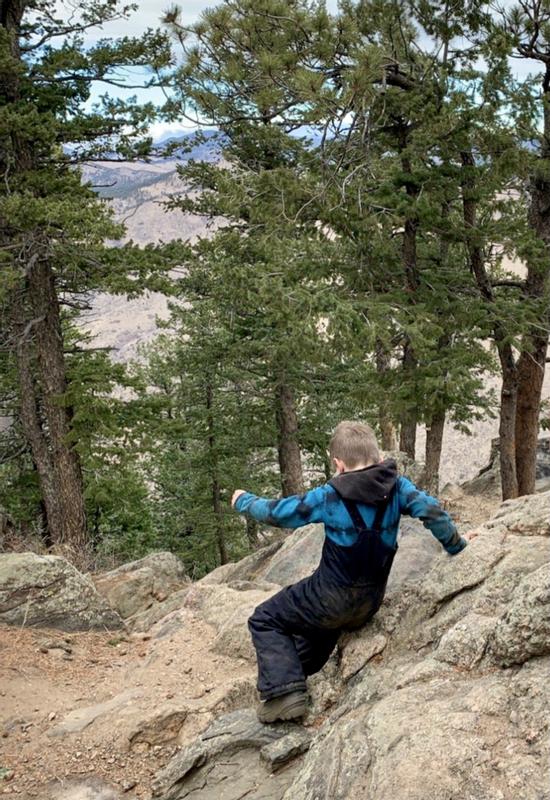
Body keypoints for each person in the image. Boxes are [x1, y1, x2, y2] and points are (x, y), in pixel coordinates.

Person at [231, 420, 467, 724]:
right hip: (368, 604)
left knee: (265, 618)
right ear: (378, 457)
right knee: (321, 625)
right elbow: (432, 511)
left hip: (329, 598)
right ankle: (296, 678)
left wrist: (244, 501)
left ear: (338, 464)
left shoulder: (330, 496)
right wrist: (456, 545)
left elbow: (278, 513)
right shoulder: (398, 488)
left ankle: (284, 695)